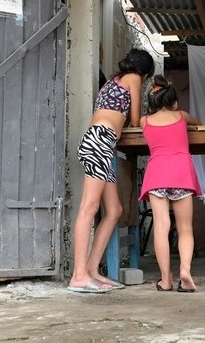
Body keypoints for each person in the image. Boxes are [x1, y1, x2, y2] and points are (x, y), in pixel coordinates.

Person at [68, 48, 155, 293]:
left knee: (114, 209)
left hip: (101, 141)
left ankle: (92, 269)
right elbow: (136, 119)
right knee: (89, 206)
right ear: (145, 74)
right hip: (100, 139)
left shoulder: (112, 81)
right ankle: (78, 275)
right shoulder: (135, 79)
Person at [139, 75, 202, 292]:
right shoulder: (182, 116)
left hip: (157, 175)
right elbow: (199, 123)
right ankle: (185, 270)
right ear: (174, 101)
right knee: (185, 228)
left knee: (161, 227)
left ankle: (165, 280)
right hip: (181, 174)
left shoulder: (144, 121)